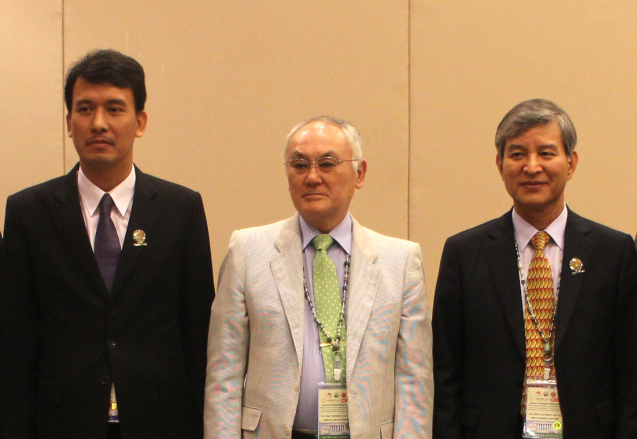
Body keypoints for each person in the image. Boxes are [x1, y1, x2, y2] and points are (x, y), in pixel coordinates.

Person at [0, 49, 215, 439]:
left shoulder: (180, 209)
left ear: (140, 122)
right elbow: (15, 343)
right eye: (85, 109)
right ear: (69, 122)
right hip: (62, 424)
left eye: (115, 109)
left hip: (160, 422)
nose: (98, 123)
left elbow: (199, 334)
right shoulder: (28, 212)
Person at [204, 116, 433, 438]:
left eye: (327, 164)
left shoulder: (400, 260)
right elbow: (223, 374)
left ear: (360, 173)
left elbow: (414, 380)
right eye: (299, 165)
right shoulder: (247, 251)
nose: (312, 177)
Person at [433, 99, 637, 438]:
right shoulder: (464, 252)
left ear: (571, 163)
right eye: (518, 154)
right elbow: (446, 372)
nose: (532, 167)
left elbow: (633, 371)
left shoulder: (613, 251)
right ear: (499, 163)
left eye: (546, 154)